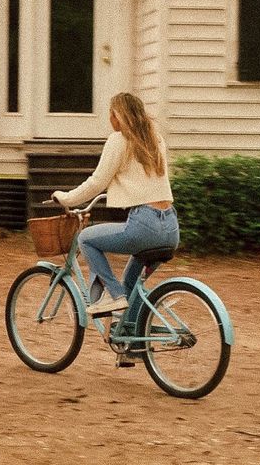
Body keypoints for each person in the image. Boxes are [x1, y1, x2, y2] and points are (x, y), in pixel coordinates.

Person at [52, 92, 179, 316]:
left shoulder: (118, 141)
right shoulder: (156, 139)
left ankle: (112, 295)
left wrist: (66, 198)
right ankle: (135, 344)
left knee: (86, 239)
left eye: (110, 114)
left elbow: (97, 182)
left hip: (144, 225)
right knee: (131, 286)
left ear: (116, 116)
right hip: (170, 227)